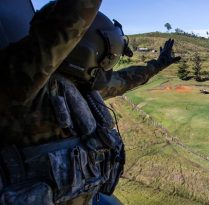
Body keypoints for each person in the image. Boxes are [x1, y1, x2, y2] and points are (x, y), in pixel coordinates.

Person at [0, 0, 180, 204]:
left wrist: (158, 64)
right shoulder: (21, 86)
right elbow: (63, 27)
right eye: (108, 57)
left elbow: (127, 78)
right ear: (84, 50)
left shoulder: (79, 89)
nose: (108, 65)